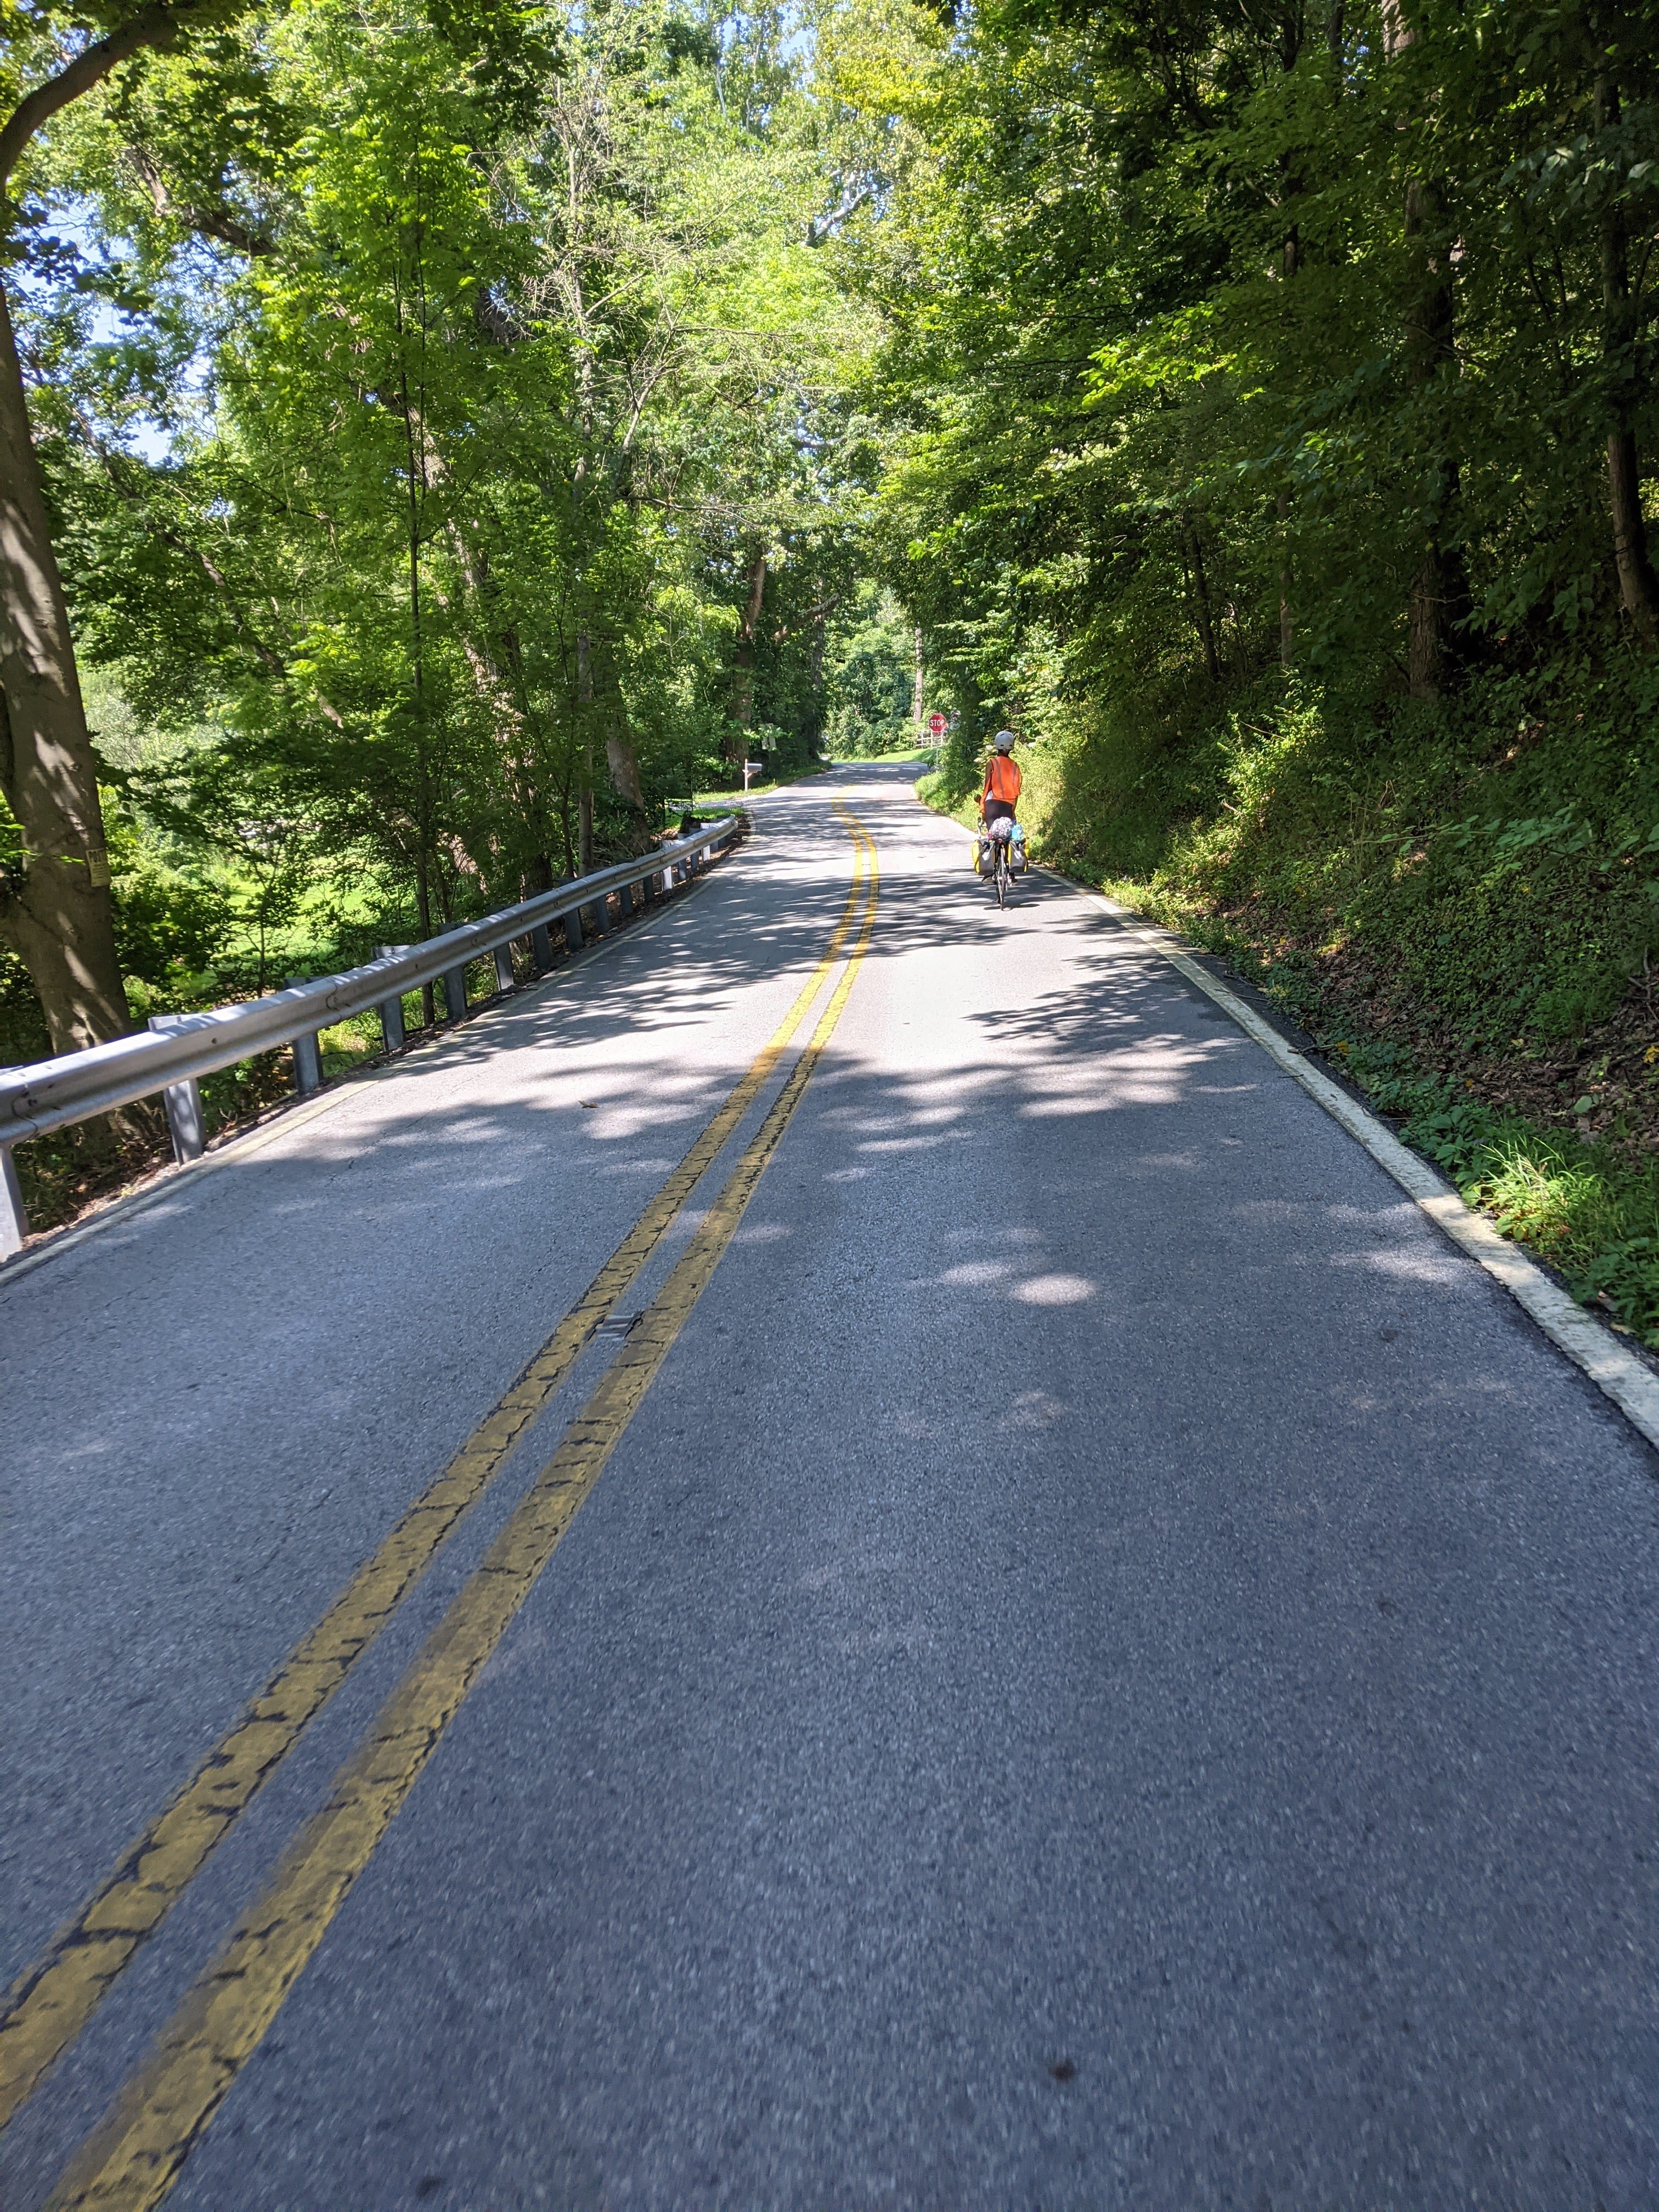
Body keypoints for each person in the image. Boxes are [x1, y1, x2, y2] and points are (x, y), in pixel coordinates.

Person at [978, 729, 1022, 870]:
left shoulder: (992, 763)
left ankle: (989, 873)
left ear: (997, 745)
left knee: (993, 837)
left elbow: (987, 788)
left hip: (992, 806)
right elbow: (1016, 792)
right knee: (1007, 837)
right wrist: (1013, 810)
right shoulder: (1015, 766)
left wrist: (982, 808)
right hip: (1008, 806)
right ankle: (1011, 872)